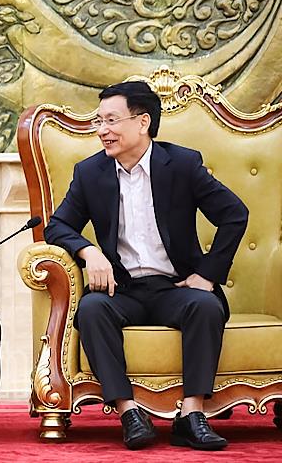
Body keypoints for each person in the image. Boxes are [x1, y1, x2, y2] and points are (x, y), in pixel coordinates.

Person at [44, 81, 248, 451]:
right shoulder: (90, 173)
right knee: (91, 309)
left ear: (143, 122)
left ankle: (192, 416)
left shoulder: (182, 164)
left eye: (111, 120)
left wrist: (207, 274)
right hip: (122, 290)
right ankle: (129, 414)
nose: (102, 130)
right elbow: (57, 225)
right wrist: (89, 252)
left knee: (205, 305)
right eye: (98, 121)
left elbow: (234, 214)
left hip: (174, 287)